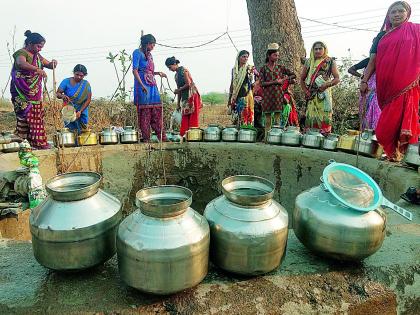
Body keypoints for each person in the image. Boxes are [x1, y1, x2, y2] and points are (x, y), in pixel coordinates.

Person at [360, 1, 419, 161]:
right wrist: (364, 80)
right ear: (388, 15)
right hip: (385, 87)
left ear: (407, 14)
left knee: (386, 127)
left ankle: (397, 154)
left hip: (405, 84)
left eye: (401, 11)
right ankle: (394, 156)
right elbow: (373, 61)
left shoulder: (415, 30)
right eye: (393, 12)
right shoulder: (382, 36)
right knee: (387, 123)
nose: (397, 14)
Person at [10, 30, 57, 149]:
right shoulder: (21, 53)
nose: (40, 49)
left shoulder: (38, 56)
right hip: (22, 90)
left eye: (41, 47)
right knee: (24, 115)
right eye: (38, 46)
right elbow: (21, 64)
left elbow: (48, 65)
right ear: (30, 43)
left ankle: (34, 142)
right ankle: (23, 140)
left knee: (37, 116)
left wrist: (53, 63)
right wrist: (37, 69)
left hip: (35, 93)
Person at [132, 34, 167, 142]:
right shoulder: (137, 53)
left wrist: (157, 73)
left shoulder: (150, 55)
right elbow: (135, 70)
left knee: (156, 110)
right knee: (145, 112)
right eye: (152, 45)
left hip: (152, 85)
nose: (153, 47)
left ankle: (162, 137)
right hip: (142, 85)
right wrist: (142, 85)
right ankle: (146, 138)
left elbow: (150, 71)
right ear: (147, 44)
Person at [300, 41, 340, 135]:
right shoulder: (309, 62)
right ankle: (310, 139)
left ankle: (324, 138)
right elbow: (302, 79)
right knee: (311, 117)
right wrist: (306, 91)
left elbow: (337, 78)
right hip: (312, 95)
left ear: (324, 49)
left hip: (324, 95)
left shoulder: (330, 61)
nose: (318, 51)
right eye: (315, 49)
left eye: (320, 48)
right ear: (313, 50)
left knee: (324, 117)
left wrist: (326, 85)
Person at [259, 43, 298, 138]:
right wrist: (275, 81)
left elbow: (293, 75)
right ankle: (267, 138)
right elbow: (262, 83)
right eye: (275, 55)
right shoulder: (263, 69)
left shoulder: (280, 68)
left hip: (278, 95)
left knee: (277, 119)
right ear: (269, 55)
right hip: (267, 96)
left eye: (278, 55)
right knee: (268, 120)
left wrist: (284, 80)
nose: (277, 57)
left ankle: (275, 138)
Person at [165, 57, 202, 136]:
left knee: (193, 117)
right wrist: (178, 104)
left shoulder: (184, 71)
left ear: (174, 64)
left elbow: (188, 84)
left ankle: (193, 137)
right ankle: (184, 136)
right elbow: (179, 90)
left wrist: (179, 90)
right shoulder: (176, 76)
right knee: (185, 116)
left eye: (170, 67)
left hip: (192, 95)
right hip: (185, 98)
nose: (170, 69)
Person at [56, 64, 92, 134]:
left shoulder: (86, 84)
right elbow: (58, 93)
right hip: (69, 109)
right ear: (73, 73)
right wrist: (63, 96)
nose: (79, 77)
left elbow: (88, 99)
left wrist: (80, 111)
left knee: (83, 130)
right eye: (77, 74)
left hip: (82, 109)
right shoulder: (66, 81)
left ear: (84, 75)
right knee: (70, 130)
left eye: (81, 76)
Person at [348, 58, 381, 130]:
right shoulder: (369, 60)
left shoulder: (385, 61)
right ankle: (366, 136)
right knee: (365, 115)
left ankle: (375, 136)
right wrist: (362, 77)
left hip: (379, 94)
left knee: (378, 116)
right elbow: (350, 69)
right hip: (367, 91)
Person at [228, 50, 256, 128]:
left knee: (247, 114)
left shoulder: (249, 68)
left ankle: (247, 131)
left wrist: (250, 73)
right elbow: (232, 84)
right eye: (243, 57)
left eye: (247, 57)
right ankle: (238, 131)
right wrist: (230, 99)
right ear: (239, 58)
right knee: (237, 114)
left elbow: (252, 80)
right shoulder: (234, 70)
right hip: (237, 95)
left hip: (246, 95)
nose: (246, 58)